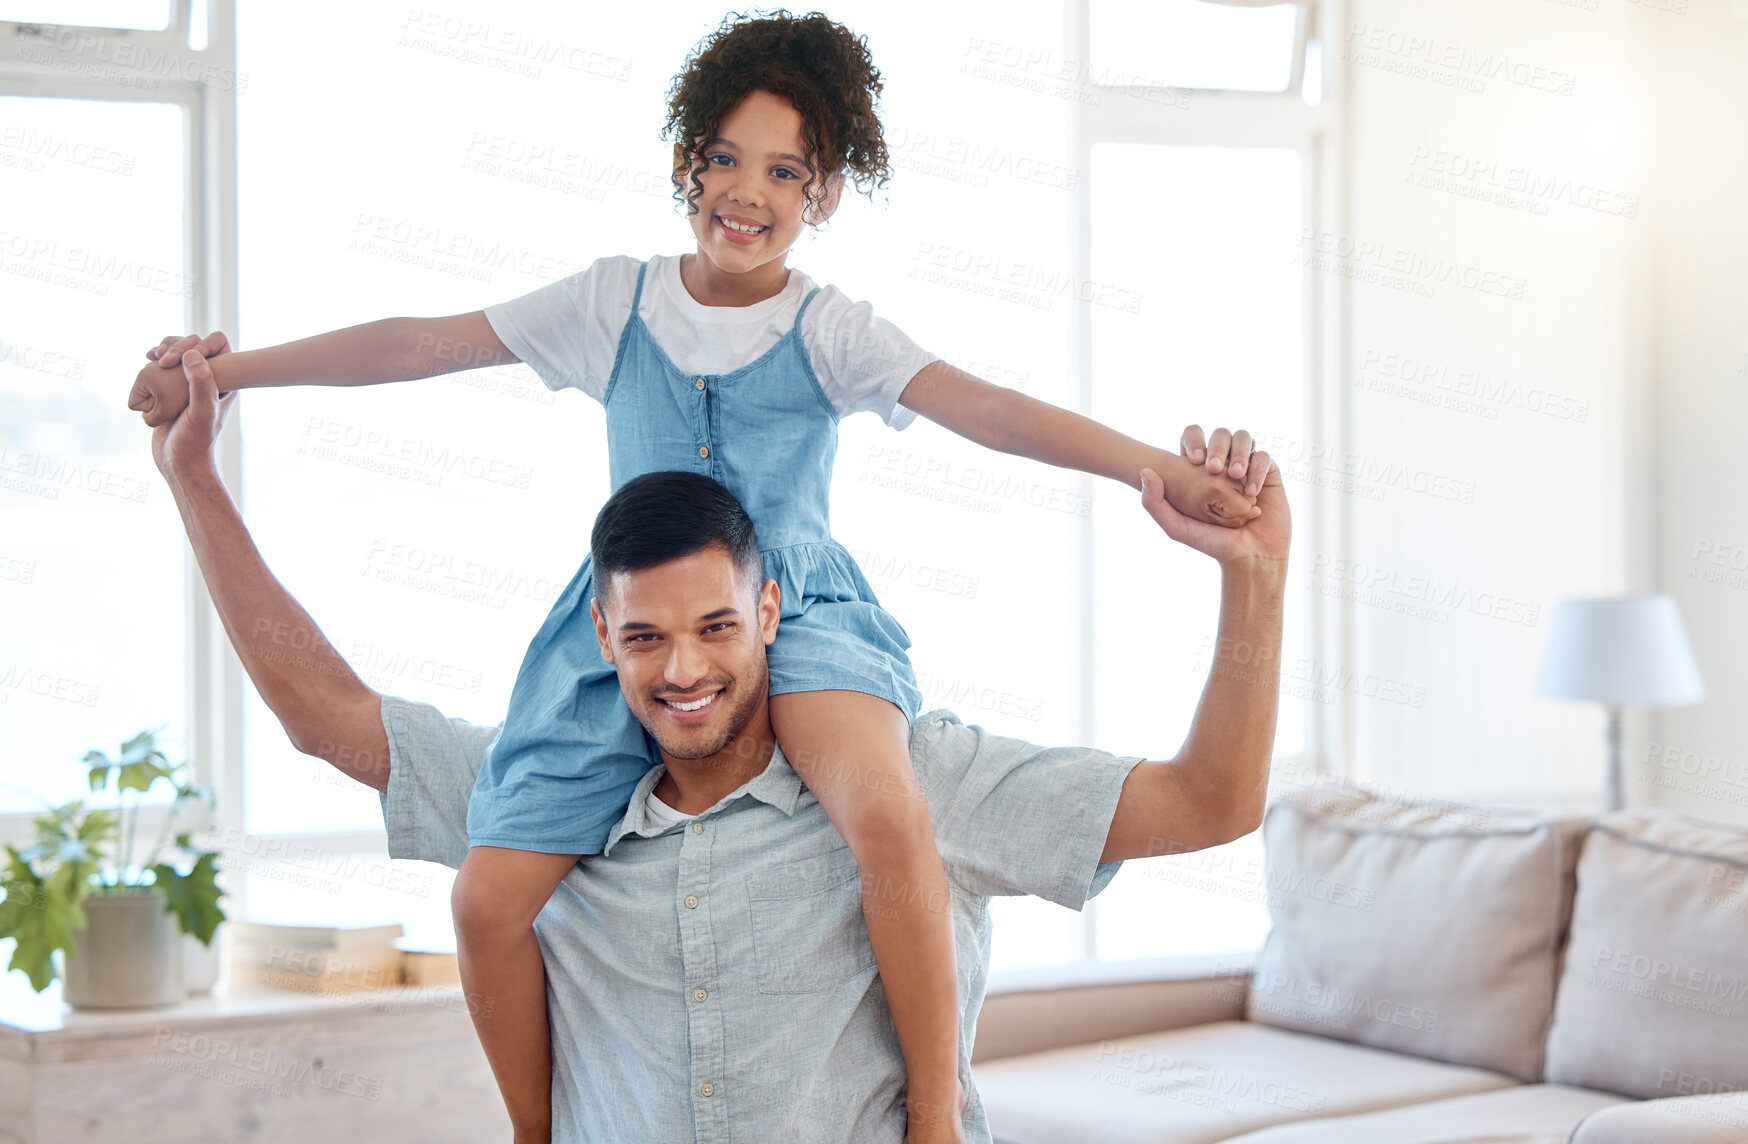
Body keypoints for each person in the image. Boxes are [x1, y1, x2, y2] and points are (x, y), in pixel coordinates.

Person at [128, 12, 1271, 1140]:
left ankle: (933, 1112)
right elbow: (417, 343)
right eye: (724, 157)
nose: (748, 189)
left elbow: (988, 410)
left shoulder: (830, 331)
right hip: (645, 593)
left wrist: (1153, 470)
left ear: (821, 194)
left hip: (803, 611)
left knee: (884, 811)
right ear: (685, 163)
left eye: (785, 169)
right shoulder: (610, 305)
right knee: (483, 894)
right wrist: (234, 377)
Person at [149, 349, 1288, 1144]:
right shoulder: (541, 800)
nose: (682, 671)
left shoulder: (905, 777)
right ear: (600, 634)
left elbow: (1209, 802)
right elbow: (327, 717)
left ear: (773, 611)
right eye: (644, 637)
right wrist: (194, 478)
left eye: (714, 628)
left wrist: (1253, 580)